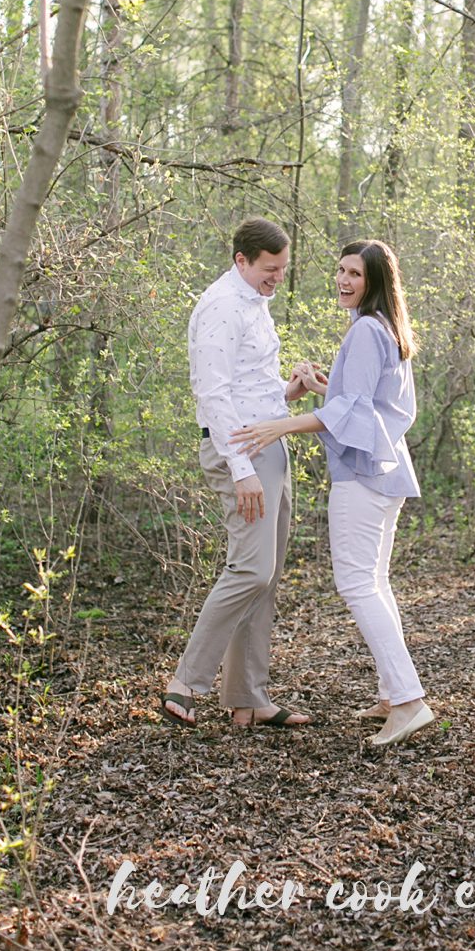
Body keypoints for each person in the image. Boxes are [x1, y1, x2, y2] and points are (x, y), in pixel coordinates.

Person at [234, 240, 434, 749]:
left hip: (364, 476)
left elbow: (352, 415)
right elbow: (369, 404)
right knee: (375, 582)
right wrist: (325, 387)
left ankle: (408, 701)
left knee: (357, 584)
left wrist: (279, 425)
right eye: (341, 271)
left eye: (355, 274)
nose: (344, 280)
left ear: (375, 282)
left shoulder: (366, 330)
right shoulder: (385, 327)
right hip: (386, 473)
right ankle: (392, 694)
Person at [160, 217, 322, 730]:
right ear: (242, 261)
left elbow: (249, 385)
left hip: (268, 445)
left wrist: (291, 392)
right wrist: (242, 470)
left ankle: (249, 698)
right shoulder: (221, 307)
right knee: (250, 569)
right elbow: (213, 395)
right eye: (271, 269)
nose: (278, 277)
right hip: (242, 454)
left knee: (265, 577)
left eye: (283, 268)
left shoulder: (256, 302)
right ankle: (186, 682)